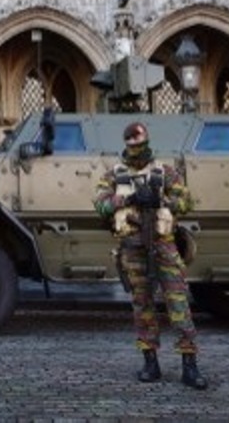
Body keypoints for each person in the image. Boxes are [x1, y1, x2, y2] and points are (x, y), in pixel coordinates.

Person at [93, 121, 208, 390]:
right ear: (126, 145)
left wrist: (162, 201)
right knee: (142, 305)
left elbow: (186, 201)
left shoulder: (164, 172)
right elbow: (101, 204)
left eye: (142, 144)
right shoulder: (113, 175)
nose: (138, 150)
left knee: (178, 303)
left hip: (163, 245)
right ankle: (150, 362)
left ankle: (189, 364)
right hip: (133, 247)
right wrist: (128, 199)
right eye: (133, 145)